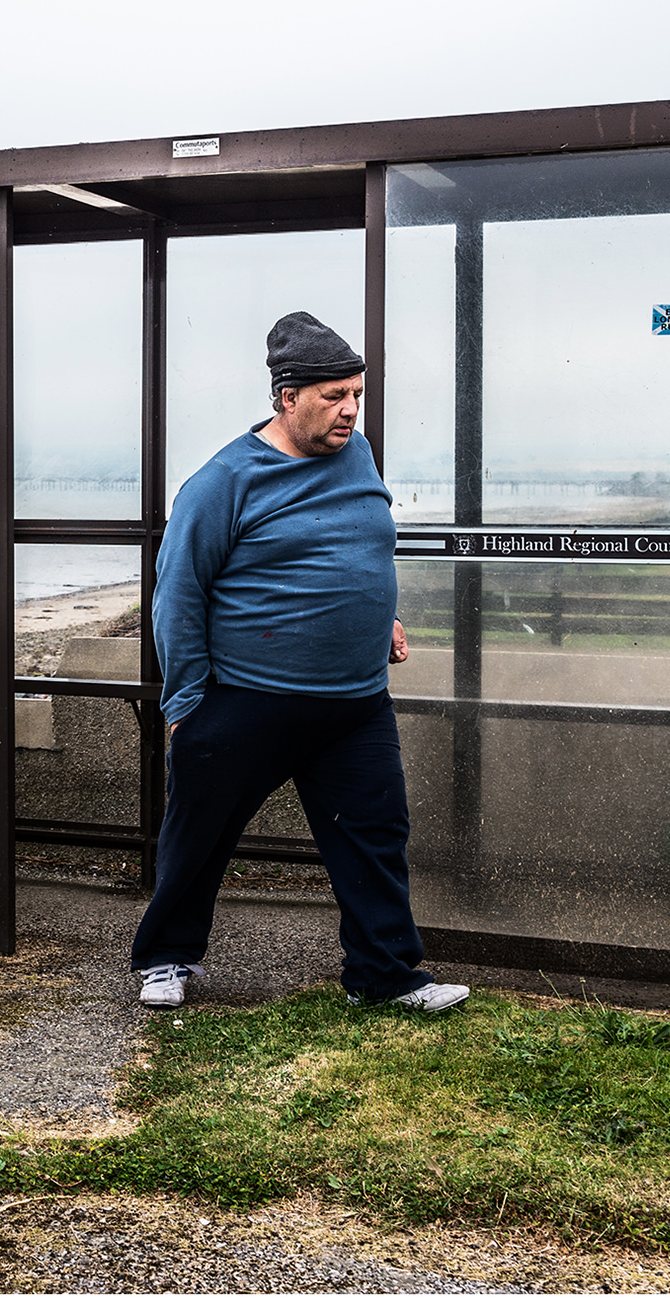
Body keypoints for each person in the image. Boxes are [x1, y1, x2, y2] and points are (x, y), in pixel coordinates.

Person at [130, 311, 469, 1015]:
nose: (349, 410)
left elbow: (363, 545)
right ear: (287, 397)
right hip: (248, 699)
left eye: (357, 395)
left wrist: (384, 618)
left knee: (376, 835)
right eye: (333, 396)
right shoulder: (223, 481)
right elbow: (178, 596)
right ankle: (166, 959)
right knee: (199, 836)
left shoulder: (359, 453)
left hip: (353, 703)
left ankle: (385, 975)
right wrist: (186, 707)